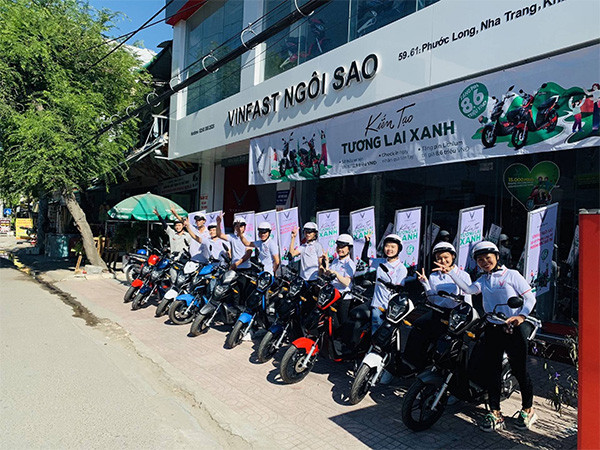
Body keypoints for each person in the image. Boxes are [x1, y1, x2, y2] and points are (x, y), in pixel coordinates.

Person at [436, 241, 537, 432]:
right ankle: (495, 412)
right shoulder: (483, 279)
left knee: (520, 370)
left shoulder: (512, 275)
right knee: (492, 371)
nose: (484, 262)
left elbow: (530, 297)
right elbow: (469, 290)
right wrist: (451, 272)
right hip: (493, 327)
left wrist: (521, 316)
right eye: (480, 260)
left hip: (513, 326)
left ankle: (528, 409)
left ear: (497, 257)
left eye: (487, 258)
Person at [403, 242, 472, 372]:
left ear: (453, 257)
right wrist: (425, 283)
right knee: (418, 327)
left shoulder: (463, 275)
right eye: (439, 258)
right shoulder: (434, 276)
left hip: (456, 316)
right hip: (438, 312)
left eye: (446, 257)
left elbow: (468, 300)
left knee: (453, 346)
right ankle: (414, 365)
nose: (443, 261)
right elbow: (433, 299)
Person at [361, 233, 408, 334]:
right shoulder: (380, 262)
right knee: (376, 332)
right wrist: (367, 242)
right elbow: (364, 258)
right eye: (387, 246)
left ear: (399, 249)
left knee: (389, 334)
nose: (389, 249)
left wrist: (392, 286)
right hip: (378, 305)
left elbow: (399, 289)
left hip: (392, 308)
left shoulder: (401, 268)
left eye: (393, 247)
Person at [215, 214, 253, 301]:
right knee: (234, 292)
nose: (238, 227)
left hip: (245, 269)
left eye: (241, 225)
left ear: (244, 227)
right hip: (234, 269)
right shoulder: (232, 237)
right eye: (236, 225)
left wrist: (237, 263)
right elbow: (219, 235)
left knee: (243, 292)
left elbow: (248, 253)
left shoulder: (248, 238)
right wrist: (218, 223)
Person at [323, 234, 356, 324]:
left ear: (349, 249)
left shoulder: (350, 264)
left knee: (342, 324)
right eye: (338, 246)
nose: (340, 249)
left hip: (343, 298)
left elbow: (346, 282)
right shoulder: (335, 261)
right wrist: (326, 262)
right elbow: (328, 273)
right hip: (333, 296)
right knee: (332, 322)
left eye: (343, 247)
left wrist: (336, 274)